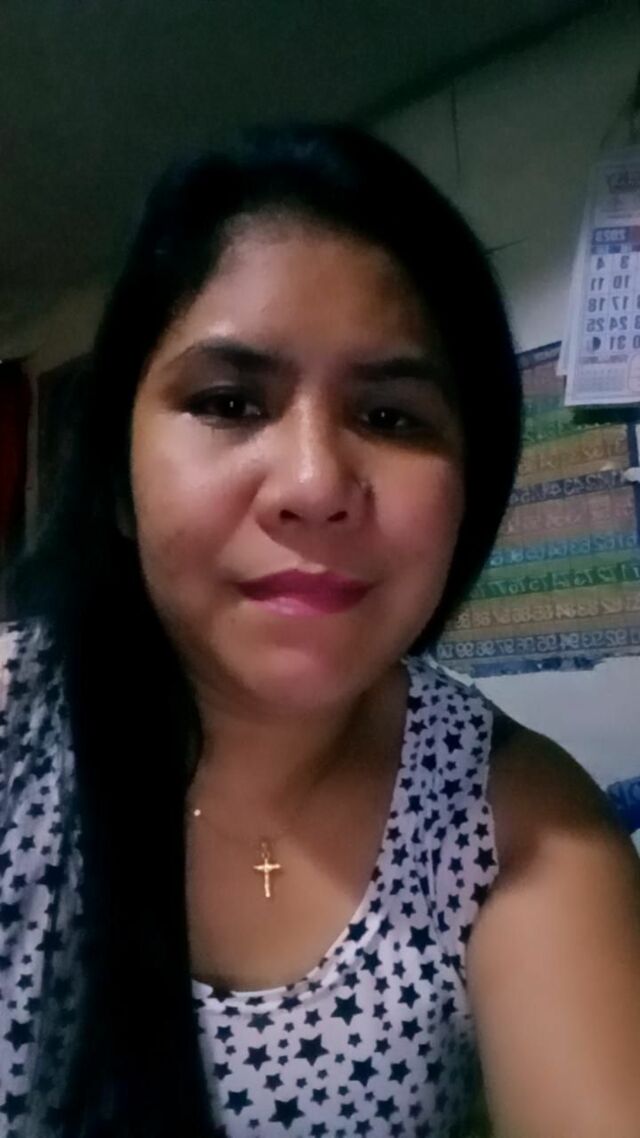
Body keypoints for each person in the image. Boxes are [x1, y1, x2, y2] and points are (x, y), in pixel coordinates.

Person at [1, 123, 639, 1138]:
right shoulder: (16, 725)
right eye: (228, 401)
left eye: (391, 417)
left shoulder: (515, 825)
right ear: (118, 480)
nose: (313, 484)